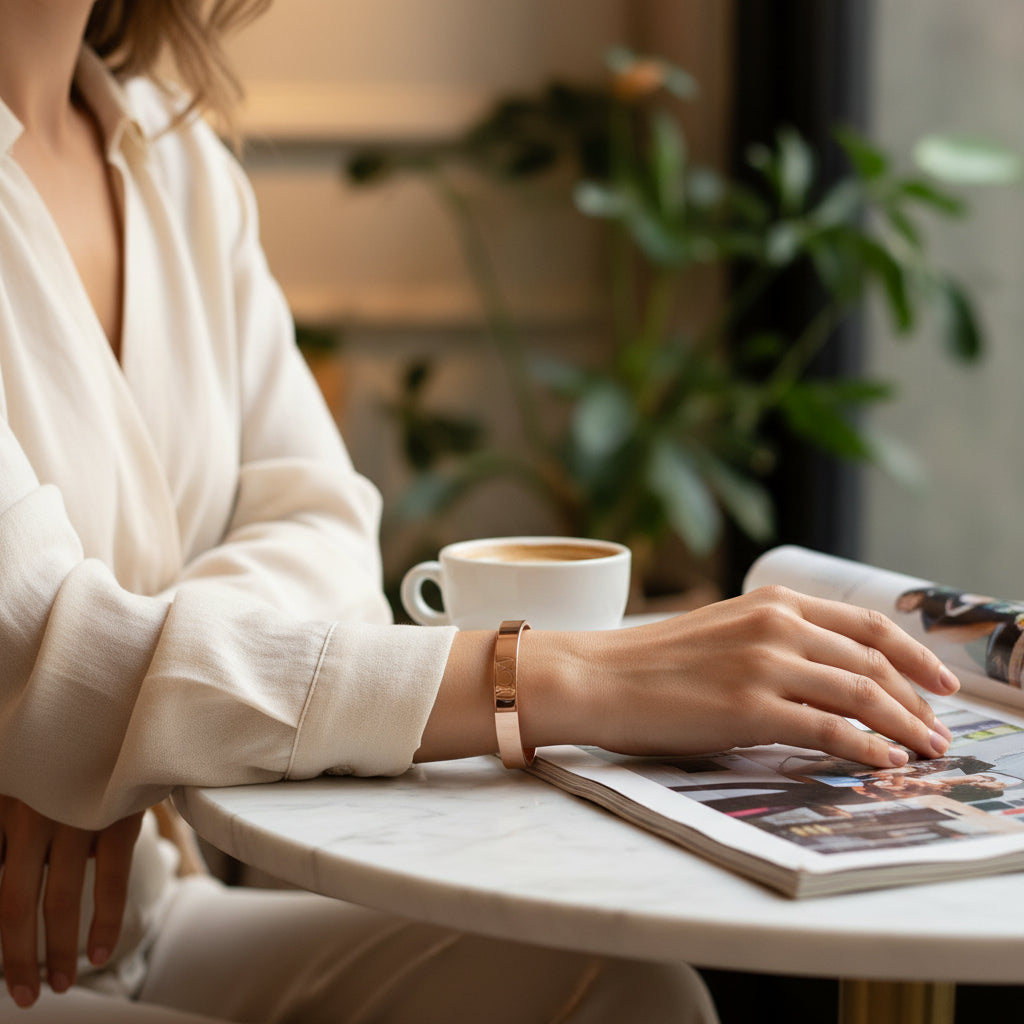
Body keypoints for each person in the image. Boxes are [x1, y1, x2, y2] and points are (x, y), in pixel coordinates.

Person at [0, 1, 962, 1019]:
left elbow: (325, 529)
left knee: (622, 995)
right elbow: (37, 645)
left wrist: (117, 730)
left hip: (143, 924)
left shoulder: (176, 153)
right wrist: (574, 675)